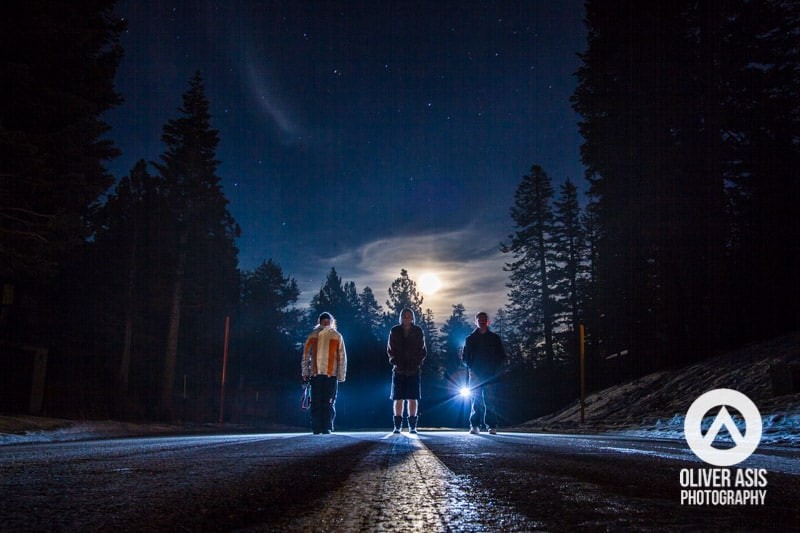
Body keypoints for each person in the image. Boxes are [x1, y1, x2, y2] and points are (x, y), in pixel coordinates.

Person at [302, 312, 347, 434]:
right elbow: (306, 355)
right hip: (315, 374)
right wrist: (305, 372)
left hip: (330, 374)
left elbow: (342, 357)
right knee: (316, 401)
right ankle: (316, 427)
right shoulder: (312, 335)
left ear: (332, 322)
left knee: (329, 401)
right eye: (323, 321)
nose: (326, 323)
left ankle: (327, 426)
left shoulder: (337, 336)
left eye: (328, 321)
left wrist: (341, 375)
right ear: (320, 322)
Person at [462, 311, 506, 435]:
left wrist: (496, 371)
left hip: (490, 374)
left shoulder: (495, 338)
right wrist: (470, 369)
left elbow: (501, 356)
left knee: (490, 400)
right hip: (475, 374)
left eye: (484, 319)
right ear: (475, 322)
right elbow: (465, 358)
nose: (482, 321)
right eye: (479, 319)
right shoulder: (470, 339)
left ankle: (491, 426)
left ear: (488, 321)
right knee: (475, 400)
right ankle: (475, 425)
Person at [387, 308, 427, 433]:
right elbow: (390, 348)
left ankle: (412, 426)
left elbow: (423, 349)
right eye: (404, 316)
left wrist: (417, 363)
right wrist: (394, 361)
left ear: (412, 318)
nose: (407, 318)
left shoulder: (418, 331)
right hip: (398, 369)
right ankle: (397, 426)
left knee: (412, 398)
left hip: (413, 370)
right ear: (401, 317)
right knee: (398, 398)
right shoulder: (395, 330)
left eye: (409, 316)